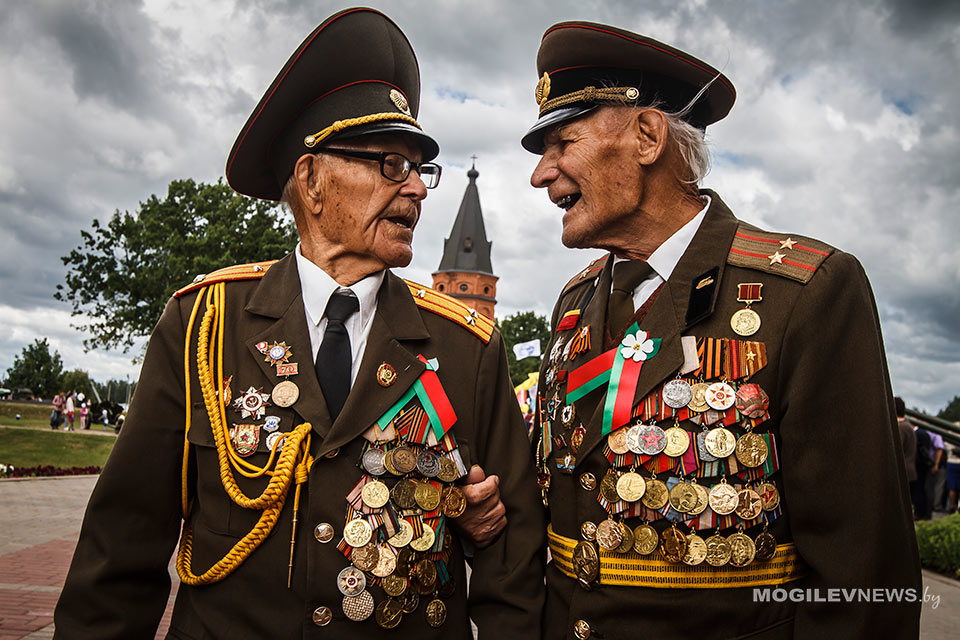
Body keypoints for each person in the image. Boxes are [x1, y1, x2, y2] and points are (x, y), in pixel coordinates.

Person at [55, 9, 540, 638]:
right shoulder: (205, 323)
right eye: (392, 164)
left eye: (422, 170)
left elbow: (511, 576)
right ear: (312, 180)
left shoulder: (466, 347)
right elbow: (122, 550)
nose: (418, 189)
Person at [522, 20, 920, 638]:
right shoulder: (573, 301)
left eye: (562, 144)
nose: (540, 174)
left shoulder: (807, 294)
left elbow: (861, 581)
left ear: (648, 136)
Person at [895, 397, 917, 489]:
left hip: (902, 472)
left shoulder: (901, 427)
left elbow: (896, 448)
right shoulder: (907, 425)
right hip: (908, 471)